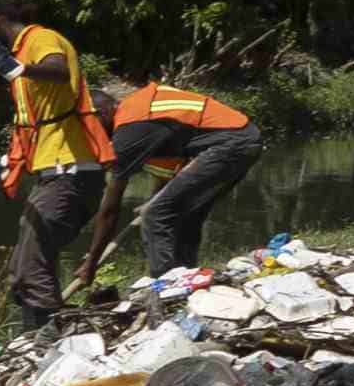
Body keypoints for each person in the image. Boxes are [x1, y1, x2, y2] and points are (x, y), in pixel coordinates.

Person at [0, 2, 125, 322]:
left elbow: (59, 70)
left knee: (31, 267)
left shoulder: (40, 38)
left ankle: (48, 340)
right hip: (56, 173)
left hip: (70, 172)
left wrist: (15, 66)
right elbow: (31, 135)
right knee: (23, 269)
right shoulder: (24, 61)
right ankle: (42, 339)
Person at [107, 73, 266, 273]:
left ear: (102, 114)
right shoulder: (144, 112)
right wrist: (156, 198)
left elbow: (109, 208)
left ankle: (165, 285)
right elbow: (169, 173)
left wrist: (91, 260)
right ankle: (187, 276)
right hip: (245, 138)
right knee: (186, 213)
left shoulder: (131, 126)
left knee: (154, 215)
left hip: (230, 143)